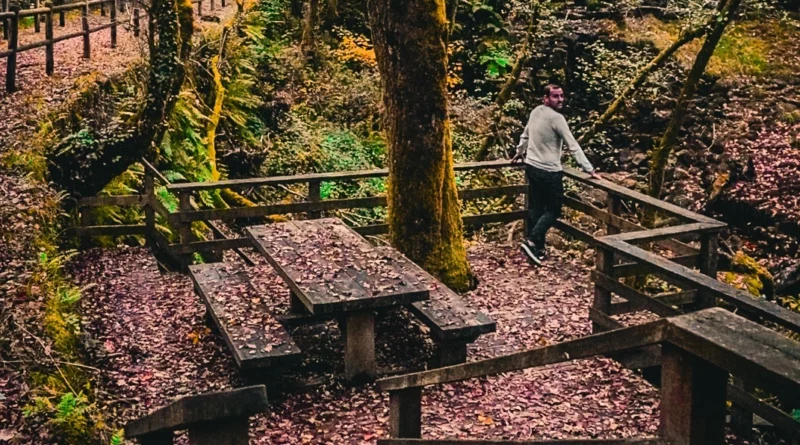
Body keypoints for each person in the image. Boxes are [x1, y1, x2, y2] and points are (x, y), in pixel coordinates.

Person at [511, 84, 601, 265]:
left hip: (532, 167)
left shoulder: (536, 111)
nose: (560, 100)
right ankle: (531, 240)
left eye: (561, 96)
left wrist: (519, 152)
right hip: (549, 171)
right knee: (553, 209)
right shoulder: (557, 119)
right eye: (555, 96)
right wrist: (588, 168)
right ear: (545, 98)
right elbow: (572, 145)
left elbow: (525, 136)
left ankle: (538, 250)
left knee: (537, 208)